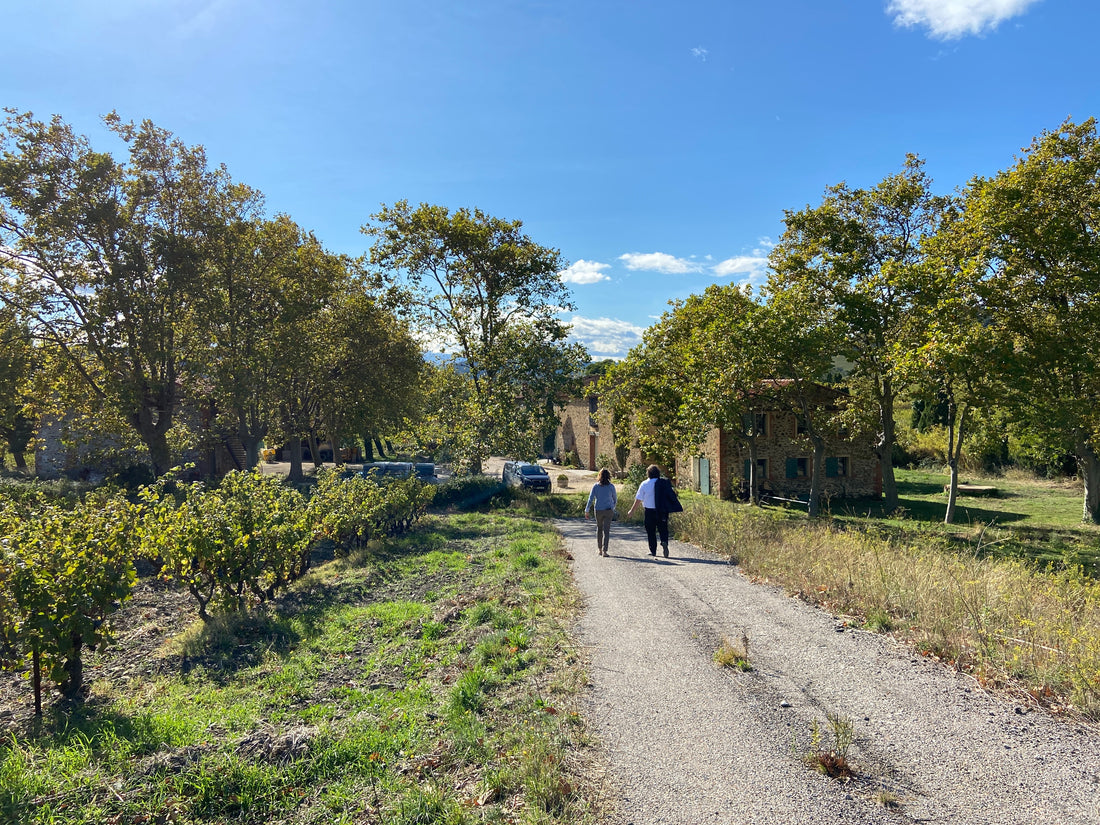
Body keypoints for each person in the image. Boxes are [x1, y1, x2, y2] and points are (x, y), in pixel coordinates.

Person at [626, 464, 675, 557]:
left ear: (648, 473)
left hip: (649, 511)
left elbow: (638, 499)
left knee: (651, 531)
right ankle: (664, 542)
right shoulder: (663, 483)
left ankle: (653, 550)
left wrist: (632, 511)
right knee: (663, 528)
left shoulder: (644, 484)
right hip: (662, 510)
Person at [584, 468, 618, 557]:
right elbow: (615, 499)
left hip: (598, 510)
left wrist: (587, 510)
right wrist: (613, 507)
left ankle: (599, 549)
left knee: (599, 529)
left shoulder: (596, 486)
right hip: (608, 510)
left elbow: (590, 499)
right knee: (607, 531)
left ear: (599, 476)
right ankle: (605, 551)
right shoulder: (611, 487)